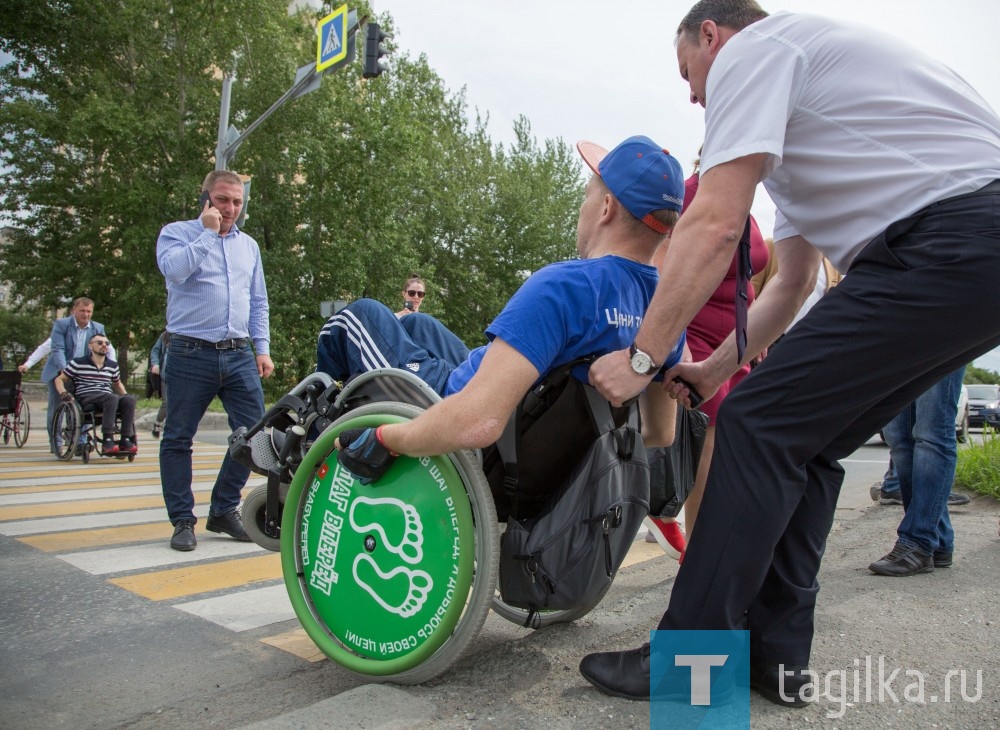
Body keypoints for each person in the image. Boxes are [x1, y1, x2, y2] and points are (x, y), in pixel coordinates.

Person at [582, 0, 1000, 706]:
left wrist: (644, 359)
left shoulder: (757, 52)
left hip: (946, 237)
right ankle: (774, 658)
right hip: (968, 249)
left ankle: (688, 671)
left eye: (688, 71)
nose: (692, 93)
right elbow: (795, 281)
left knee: (756, 424)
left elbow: (712, 226)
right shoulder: (806, 128)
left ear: (711, 36)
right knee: (805, 441)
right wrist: (713, 370)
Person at [322, 135, 687, 484]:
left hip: (453, 410)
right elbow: (660, 432)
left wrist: (388, 439)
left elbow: (478, 422)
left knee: (357, 317)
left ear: (606, 208)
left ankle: (312, 438)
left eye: (587, 195)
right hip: (527, 453)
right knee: (417, 324)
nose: (583, 207)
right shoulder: (664, 320)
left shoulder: (567, 287)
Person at [644, 158, 770, 561]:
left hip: (736, 344)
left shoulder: (744, 198)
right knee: (709, 449)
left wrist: (755, 330)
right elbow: (663, 267)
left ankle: (700, 539)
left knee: (733, 447)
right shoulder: (691, 194)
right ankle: (697, 561)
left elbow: (749, 276)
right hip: (698, 337)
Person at [156, 170, 274, 552]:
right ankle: (182, 521)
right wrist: (207, 233)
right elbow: (174, 271)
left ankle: (223, 510)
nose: (231, 209)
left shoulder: (248, 246)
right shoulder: (177, 233)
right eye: (223, 200)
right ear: (205, 197)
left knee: (256, 437)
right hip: (190, 352)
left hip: (238, 353)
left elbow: (257, 301)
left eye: (237, 202)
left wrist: (262, 348)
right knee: (178, 438)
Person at [870, 366, 969, 576]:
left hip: (944, 336)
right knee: (897, 434)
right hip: (899, 340)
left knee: (932, 428)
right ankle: (939, 541)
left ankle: (918, 541)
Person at [40, 298, 108, 454]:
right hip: (59, 372)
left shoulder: (98, 328)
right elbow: (58, 350)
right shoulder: (62, 325)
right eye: (82, 311)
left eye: (89, 311)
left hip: (82, 374)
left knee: (82, 408)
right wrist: (65, 372)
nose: (86, 314)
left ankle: (78, 442)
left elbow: (103, 349)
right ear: (74, 311)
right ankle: (55, 442)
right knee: (57, 408)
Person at [54, 333, 138, 454]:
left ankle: (125, 439)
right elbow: (59, 379)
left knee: (129, 399)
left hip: (108, 398)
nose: (104, 345)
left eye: (106, 343)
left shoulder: (112, 365)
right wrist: (63, 393)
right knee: (112, 397)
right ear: (90, 346)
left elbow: (117, 384)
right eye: (99, 342)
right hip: (87, 397)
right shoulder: (78, 363)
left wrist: (125, 396)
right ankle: (107, 439)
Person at [148, 331, 169, 439]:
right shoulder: (166, 335)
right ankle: (158, 424)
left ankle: (172, 428)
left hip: (183, 376)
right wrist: (155, 364)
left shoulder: (189, 333)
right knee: (167, 402)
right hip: (166, 375)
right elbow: (155, 351)